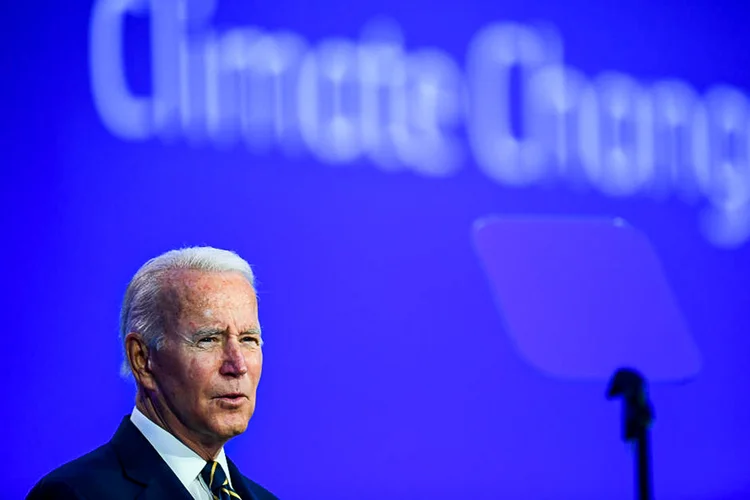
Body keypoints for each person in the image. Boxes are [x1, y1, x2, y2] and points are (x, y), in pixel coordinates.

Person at [27, 247, 278, 499]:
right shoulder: (75, 494)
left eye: (248, 339)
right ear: (142, 358)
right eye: (208, 339)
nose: (237, 365)